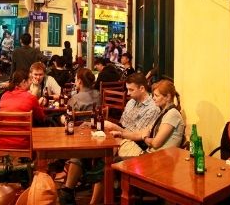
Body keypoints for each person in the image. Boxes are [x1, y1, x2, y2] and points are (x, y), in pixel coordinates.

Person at [59, 73, 160, 205]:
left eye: (131, 90)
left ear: (142, 88)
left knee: (103, 161)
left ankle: (93, 201)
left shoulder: (152, 108)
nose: (128, 93)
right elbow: (123, 123)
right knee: (83, 149)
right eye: (127, 89)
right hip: (120, 136)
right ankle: (67, 192)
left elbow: (138, 136)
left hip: (134, 143)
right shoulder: (131, 102)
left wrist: (114, 128)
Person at [0, 70, 46, 149]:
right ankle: (42, 156)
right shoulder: (30, 97)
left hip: (2, 142)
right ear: (24, 82)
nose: (31, 82)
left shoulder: (4, 96)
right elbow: (41, 117)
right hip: (23, 143)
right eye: (30, 79)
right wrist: (38, 104)